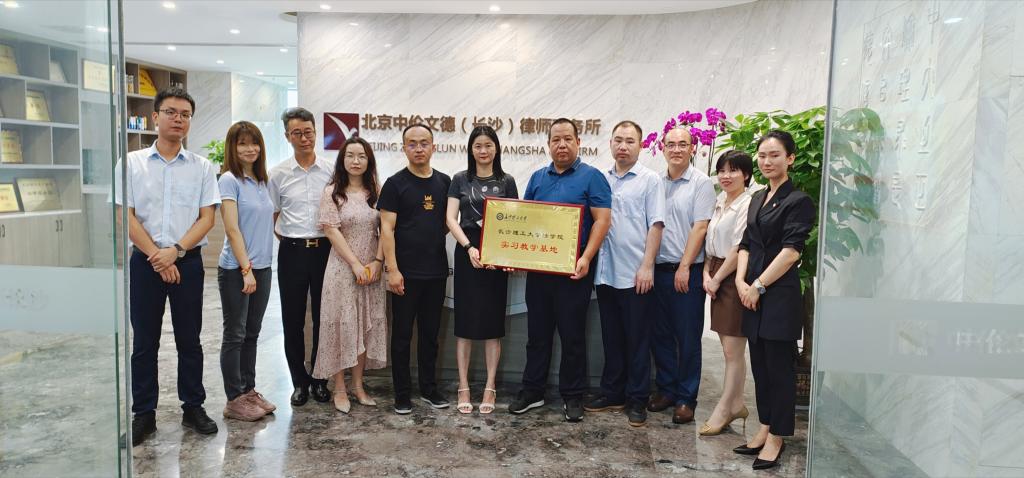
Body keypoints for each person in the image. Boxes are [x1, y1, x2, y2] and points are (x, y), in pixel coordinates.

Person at [113, 87, 220, 445]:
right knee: (145, 341)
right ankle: (143, 414)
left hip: (187, 263)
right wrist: (158, 258)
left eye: (185, 114)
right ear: (155, 116)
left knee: (190, 339)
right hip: (146, 264)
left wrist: (175, 251)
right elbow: (125, 216)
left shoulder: (202, 167)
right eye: (171, 112)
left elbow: (207, 218)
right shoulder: (131, 163)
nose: (178, 119)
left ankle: (193, 407)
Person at [508, 118, 612, 423]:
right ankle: (533, 390)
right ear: (548, 144)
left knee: (572, 335)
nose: (562, 145)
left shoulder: (592, 178)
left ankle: (573, 395)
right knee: (537, 334)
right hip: (539, 270)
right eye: (556, 140)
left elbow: (603, 220)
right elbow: (525, 219)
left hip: (574, 269)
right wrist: (514, 254)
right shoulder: (538, 178)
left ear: (578, 142)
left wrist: (587, 257)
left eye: (568, 139)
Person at [733, 130, 815, 471]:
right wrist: (740, 281)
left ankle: (778, 435)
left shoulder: (798, 201)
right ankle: (765, 425)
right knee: (760, 366)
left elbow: (791, 252)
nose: (767, 161)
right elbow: (746, 243)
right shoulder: (757, 198)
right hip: (751, 292)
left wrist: (758, 286)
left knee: (779, 369)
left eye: (775, 155)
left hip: (777, 296)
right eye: (763, 155)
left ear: (790, 159)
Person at [586, 120, 665, 427]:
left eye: (630, 141)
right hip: (605, 272)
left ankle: (637, 398)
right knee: (612, 338)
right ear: (610, 144)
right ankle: (613, 392)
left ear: (640, 146)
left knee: (637, 340)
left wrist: (647, 266)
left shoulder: (650, 180)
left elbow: (656, 225)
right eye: (618, 140)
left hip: (635, 274)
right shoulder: (600, 178)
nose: (623, 146)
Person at [445, 125, 519, 414]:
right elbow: (451, 218)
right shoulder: (459, 179)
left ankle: (490, 386)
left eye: (488, 145)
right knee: (464, 323)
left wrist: (509, 255)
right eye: (478, 146)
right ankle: (463, 385)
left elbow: (515, 221)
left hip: (497, 253)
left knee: (492, 324)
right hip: (468, 251)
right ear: (471, 150)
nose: (483, 150)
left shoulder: (507, 181)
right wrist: (468, 247)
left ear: (496, 148)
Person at [379, 123, 452, 414]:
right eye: (412, 143)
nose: (418, 148)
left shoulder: (445, 182)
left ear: (434, 147)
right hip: (405, 274)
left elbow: (446, 224)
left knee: (430, 335)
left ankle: (429, 389)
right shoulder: (395, 184)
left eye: (424, 143)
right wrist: (393, 270)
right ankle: (402, 393)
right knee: (402, 336)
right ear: (404, 148)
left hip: (436, 272)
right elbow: (386, 229)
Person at [312, 136, 387, 414]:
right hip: (342, 269)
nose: (356, 161)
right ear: (342, 160)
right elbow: (332, 231)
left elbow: (386, 229)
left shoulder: (376, 190)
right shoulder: (332, 192)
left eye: (362, 156)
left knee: (365, 326)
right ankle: (340, 388)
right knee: (342, 325)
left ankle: (358, 386)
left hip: (371, 270)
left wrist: (377, 261)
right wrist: (355, 264)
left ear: (369, 161)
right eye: (350, 155)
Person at [648, 126, 717, 424]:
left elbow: (700, 227)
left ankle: (687, 397)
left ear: (692, 148)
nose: (676, 149)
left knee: (687, 337)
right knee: (660, 334)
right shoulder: (655, 182)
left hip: (686, 271)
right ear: (663, 148)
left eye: (682, 144)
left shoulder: (701, 183)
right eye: (671, 144)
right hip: (658, 270)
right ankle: (666, 389)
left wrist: (685, 266)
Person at [269, 107, 333, 406]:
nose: (304, 138)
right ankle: (299, 382)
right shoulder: (277, 174)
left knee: (324, 318)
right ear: (287, 136)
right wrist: (290, 239)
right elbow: (273, 214)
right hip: (292, 252)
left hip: (325, 251)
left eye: (308, 132)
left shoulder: (331, 171)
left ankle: (320, 379)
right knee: (292, 319)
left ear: (315, 133)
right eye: (297, 133)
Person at [217, 121, 277, 422]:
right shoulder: (229, 180)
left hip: (263, 267)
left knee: (252, 332)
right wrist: (246, 269)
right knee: (235, 334)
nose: (249, 149)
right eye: (242, 143)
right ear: (233, 147)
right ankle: (234, 398)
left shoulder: (262, 180)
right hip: (237, 269)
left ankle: (248, 390)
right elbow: (232, 228)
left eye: (254, 143)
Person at [698, 150, 755, 436]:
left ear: (746, 174)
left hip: (734, 275)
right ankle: (736, 404)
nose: (726, 176)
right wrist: (706, 272)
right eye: (722, 170)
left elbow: (738, 247)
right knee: (728, 348)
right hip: (716, 272)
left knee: (733, 349)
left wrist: (718, 279)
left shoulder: (748, 203)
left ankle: (725, 408)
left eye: (733, 170)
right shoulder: (720, 200)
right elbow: (710, 243)